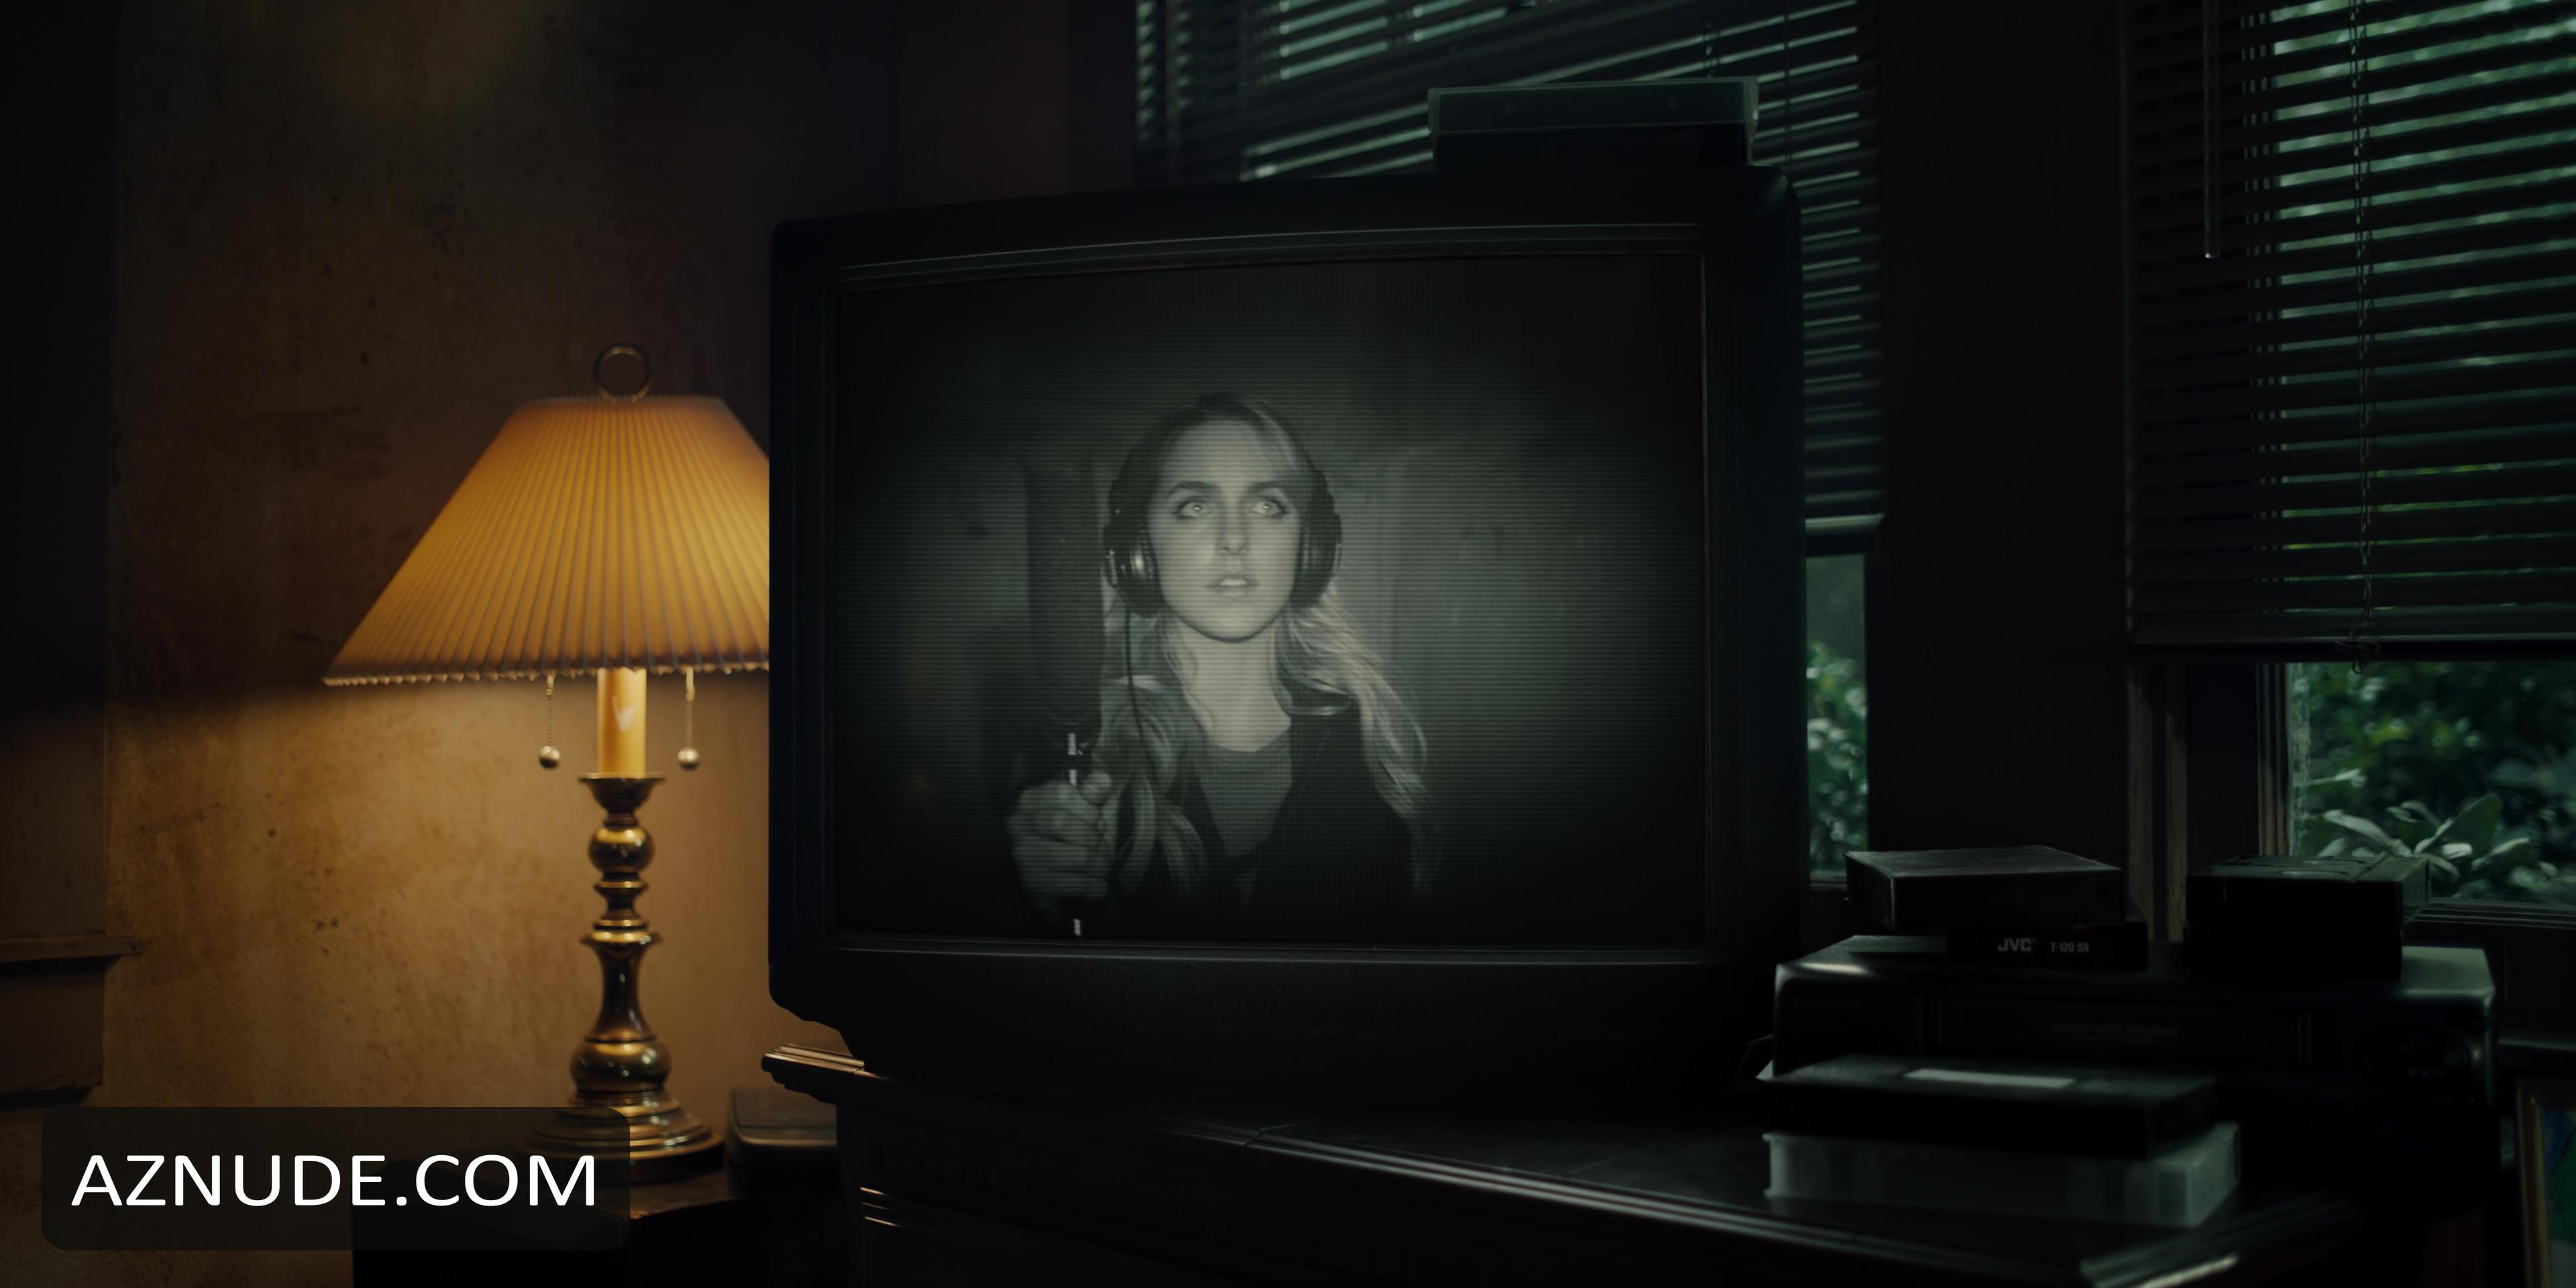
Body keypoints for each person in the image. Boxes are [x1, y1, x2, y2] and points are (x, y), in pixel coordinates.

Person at [1004, 394, 1436, 940]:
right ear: (1136, 551)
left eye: (1268, 506)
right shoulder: (1079, 760)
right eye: (1195, 506)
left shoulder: (1372, 742)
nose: (1234, 538)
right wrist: (1048, 899)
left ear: (1312, 547)